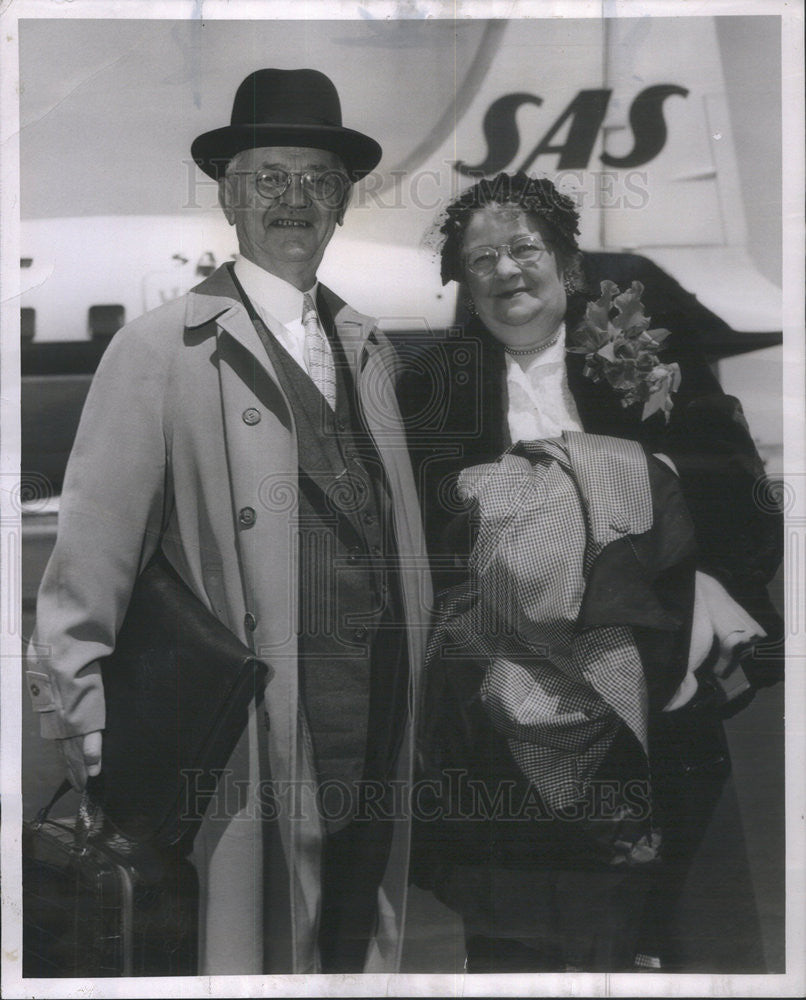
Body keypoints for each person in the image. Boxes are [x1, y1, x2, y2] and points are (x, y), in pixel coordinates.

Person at [25, 68, 430, 975]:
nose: (294, 200)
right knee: (257, 949)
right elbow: (94, 550)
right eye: (268, 178)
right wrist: (77, 709)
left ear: (342, 204)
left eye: (317, 181)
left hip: (373, 720)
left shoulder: (367, 348)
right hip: (252, 731)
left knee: (357, 944)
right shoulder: (161, 349)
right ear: (229, 196)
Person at [399, 171, 784, 972]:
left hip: (653, 670)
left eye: (524, 249)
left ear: (567, 266)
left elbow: (738, 486)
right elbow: (423, 537)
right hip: (510, 695)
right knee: (519, 939)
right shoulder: (432, 389)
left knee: (657, 923)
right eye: (481, 261)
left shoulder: (639, 355)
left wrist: (712, 577)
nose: (507, 271)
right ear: (463, 288)